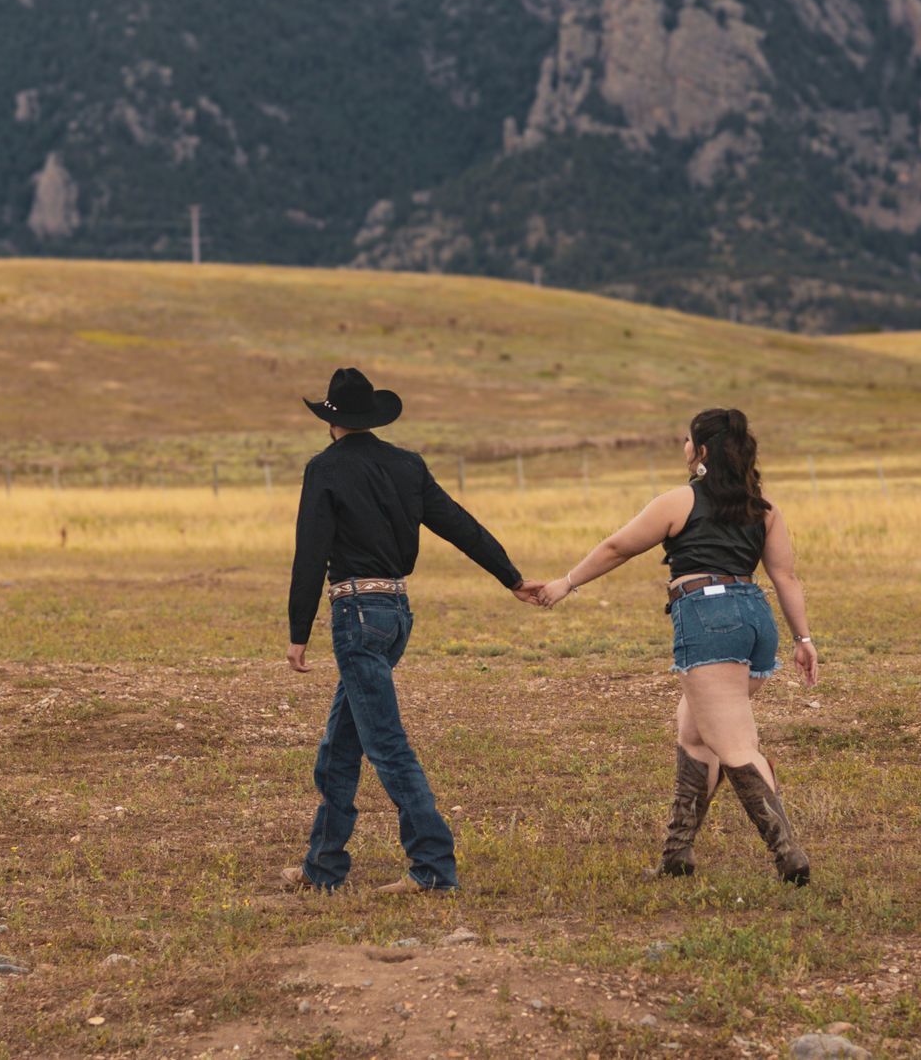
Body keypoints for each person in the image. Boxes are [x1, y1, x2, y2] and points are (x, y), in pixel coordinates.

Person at [282, 367, 544, 893]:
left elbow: (310, 552)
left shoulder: (325, 470)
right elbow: (459, 524)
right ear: (373, 416)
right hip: (396, 614)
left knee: (386, 745)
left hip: (356, 613)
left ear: (331, 421)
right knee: (340, 747)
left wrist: (297, 631)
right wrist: (509, 576)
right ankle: (323, 868)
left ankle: (432, 867)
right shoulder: (407, 465)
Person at [536, 408, 817, 884]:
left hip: (708, 617)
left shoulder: (679, 501)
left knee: (734, 744)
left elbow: (617, 547)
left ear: (702, 451)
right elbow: (784, 576)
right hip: (754, 617)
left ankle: (788, 852)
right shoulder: (763, 508)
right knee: (694, 734)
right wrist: (802, 638)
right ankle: (676, 856)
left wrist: (567, 582)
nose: (684, 448)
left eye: (688, 441)